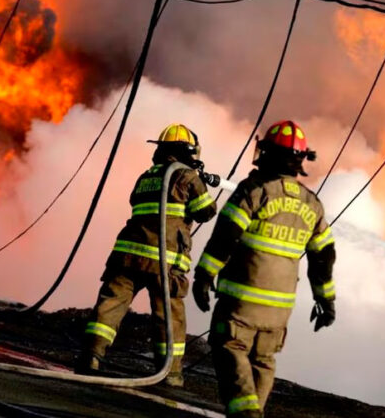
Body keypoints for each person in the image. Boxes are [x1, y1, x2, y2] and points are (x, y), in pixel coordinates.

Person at [192, 120, 336, 417]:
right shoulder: (313, 204)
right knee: (263, 360)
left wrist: (204, 275)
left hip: (241, 303)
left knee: (228, 347)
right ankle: (252, 412)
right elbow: (323, 258)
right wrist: (326, 301)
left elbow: (225, 236)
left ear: (267, 153)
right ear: (299, 160)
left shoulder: (254, 191)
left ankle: (247, 414)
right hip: (279, 311)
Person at [76, 123, 218, 387]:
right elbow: (206, 212)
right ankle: (171, 373)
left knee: (110, 304)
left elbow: (135, 202)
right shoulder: (187, 177)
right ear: (189, 151)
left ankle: (91, 355)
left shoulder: (146, 176)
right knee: (169, 315)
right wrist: (198, 181)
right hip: (165, 260)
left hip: (128, 254)